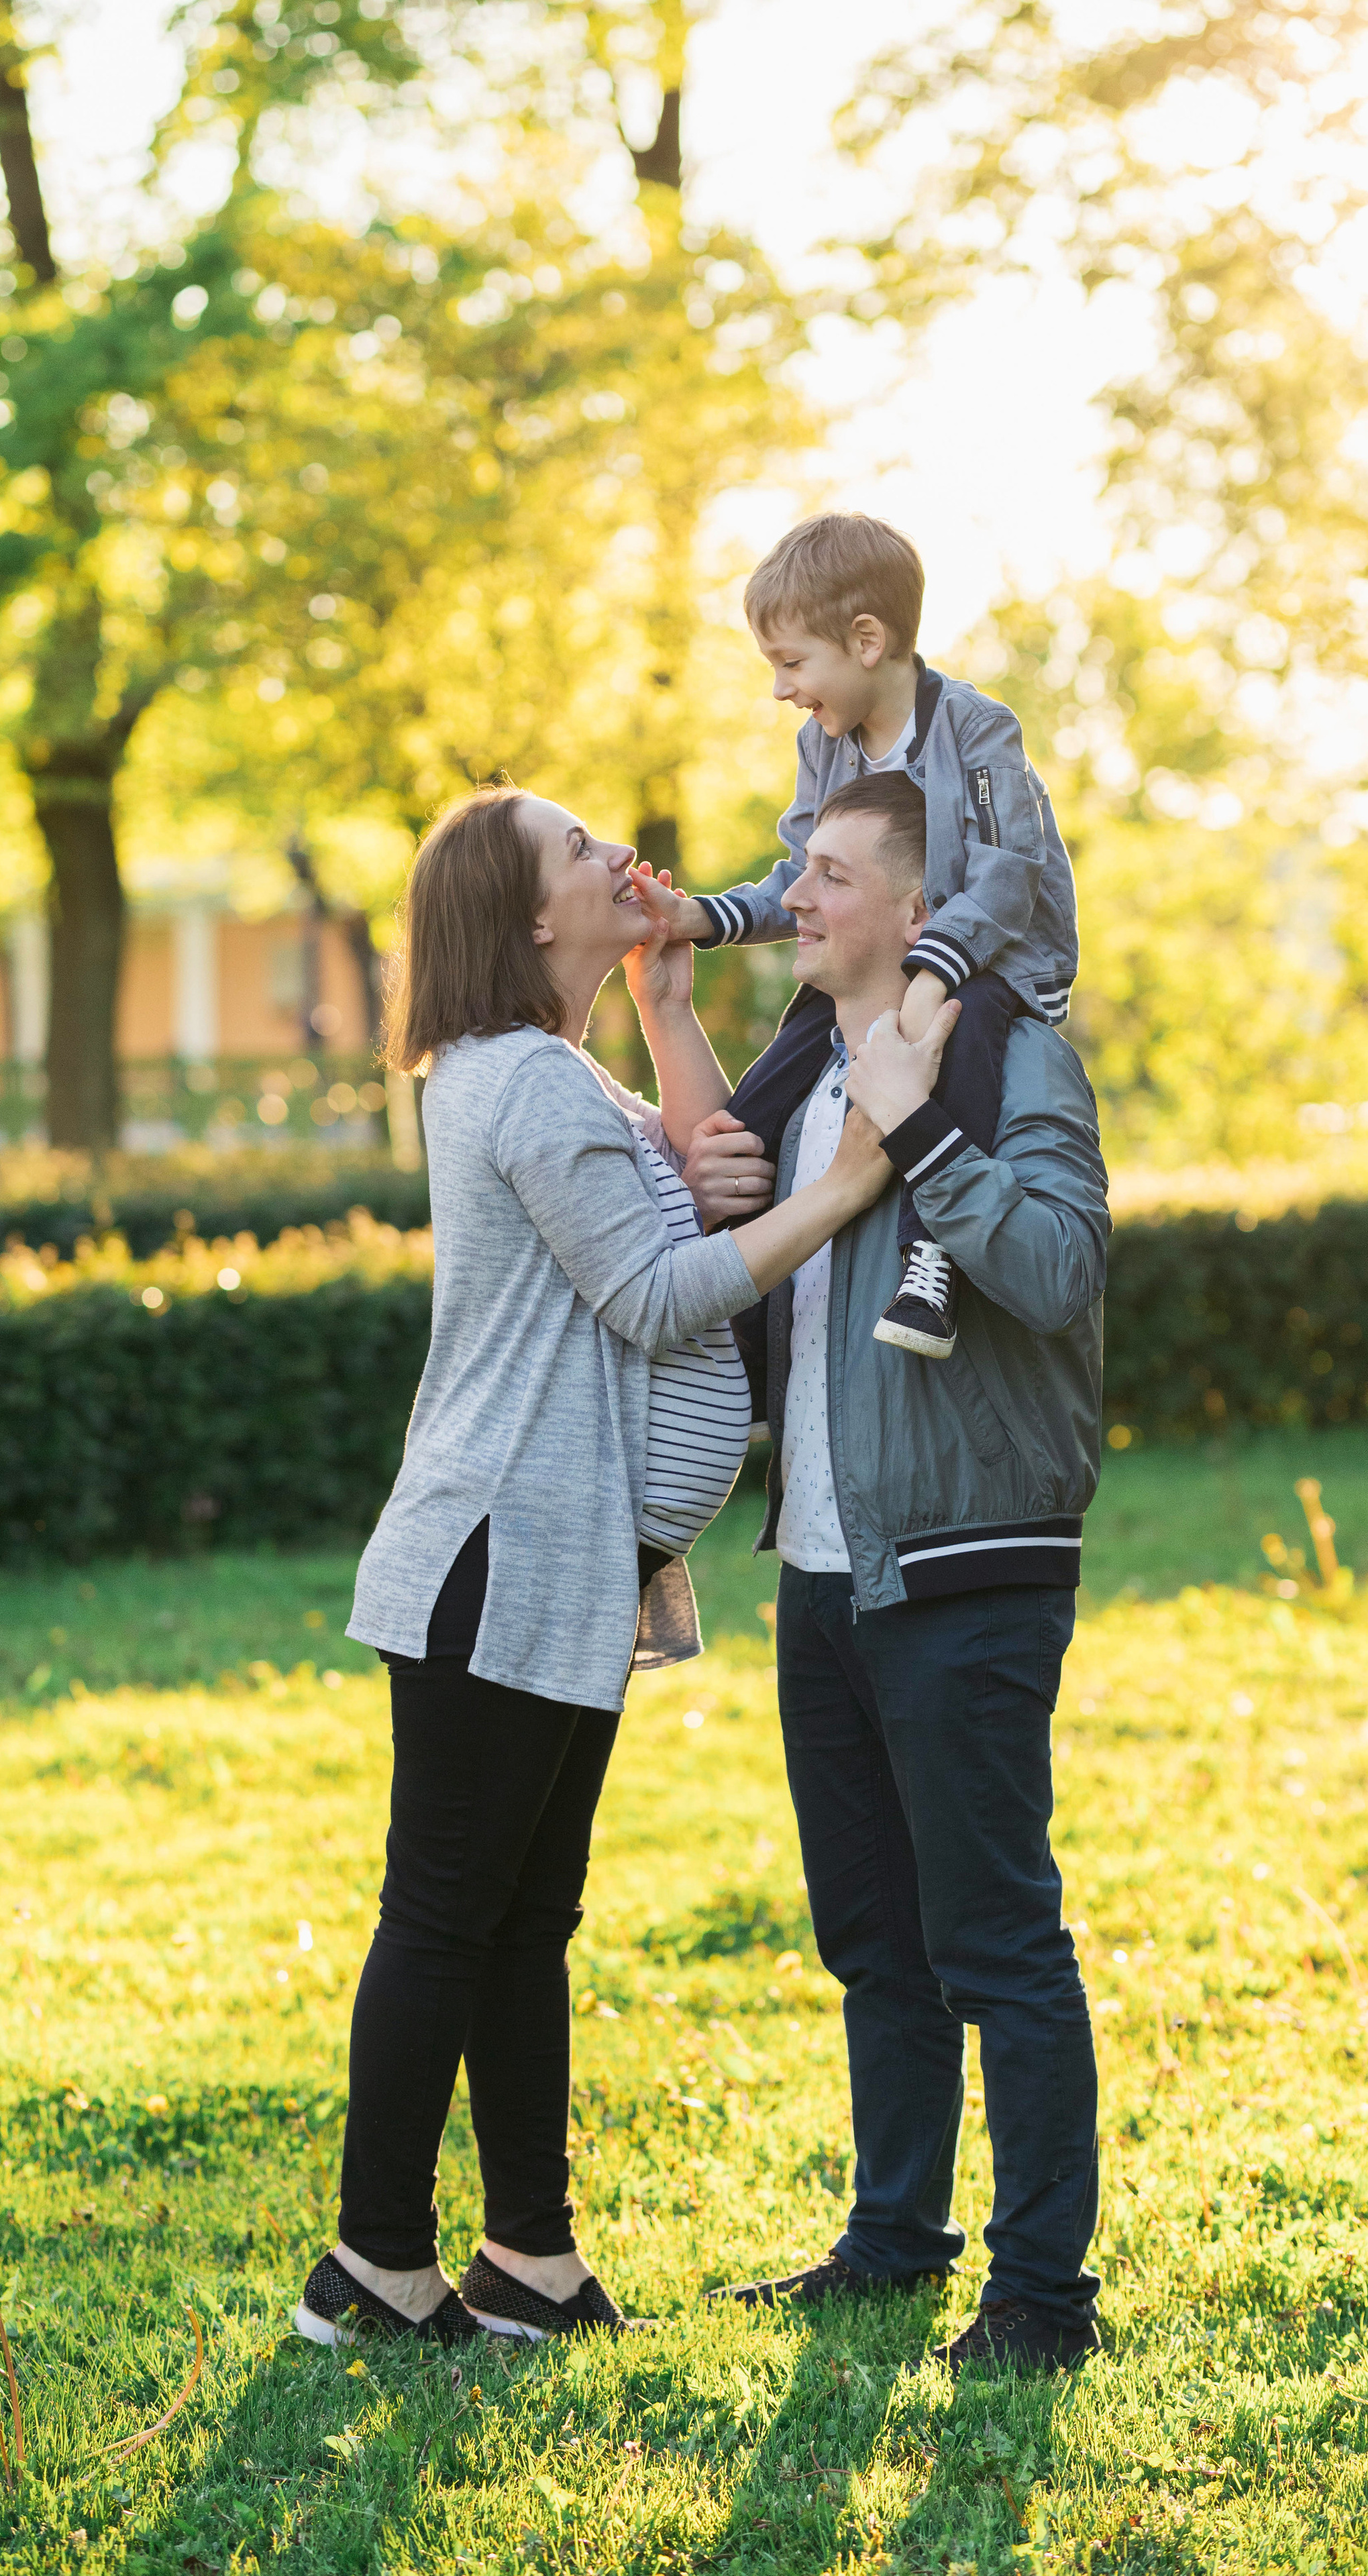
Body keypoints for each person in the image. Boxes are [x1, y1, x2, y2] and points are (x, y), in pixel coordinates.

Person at [295, 786, 901, 2351]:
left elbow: (709, 1172)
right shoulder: (525, 1086)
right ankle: (370, 2264)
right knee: (445, 1911)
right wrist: (848, 1186)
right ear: (525, 916)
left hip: (561, 1562)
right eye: (577, 852)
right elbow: (655, 1293)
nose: (614, 859)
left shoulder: (557, 1077)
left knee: (519, 1915)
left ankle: (530, 2258)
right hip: (499, 1560)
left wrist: (664, 997)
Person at [679, 770, 1108, 2378]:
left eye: (831, 876)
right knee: (871, 1932)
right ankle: (892, 2237)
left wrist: (922, 1126)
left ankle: (1041, 2297)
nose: (796, 897)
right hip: (822, 1568)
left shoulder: (1013, 1065)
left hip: (966, 1561)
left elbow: (1059, 1268)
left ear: (916, 915)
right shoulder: (799, 1079)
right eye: (799, 870)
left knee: (995, 1939)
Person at [629, 510, 1077, 1366]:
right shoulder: (823, 744)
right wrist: (702, 919)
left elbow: (1007, 871)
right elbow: (800, 870)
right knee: (767, 1091)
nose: (781, 689)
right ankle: (732, 1272)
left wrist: (932, 972)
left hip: (996, 960)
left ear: (866, 640)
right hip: (887, 971)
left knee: (961, 1037)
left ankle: (930, 1257)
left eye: (792, 663)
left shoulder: (976, 730)